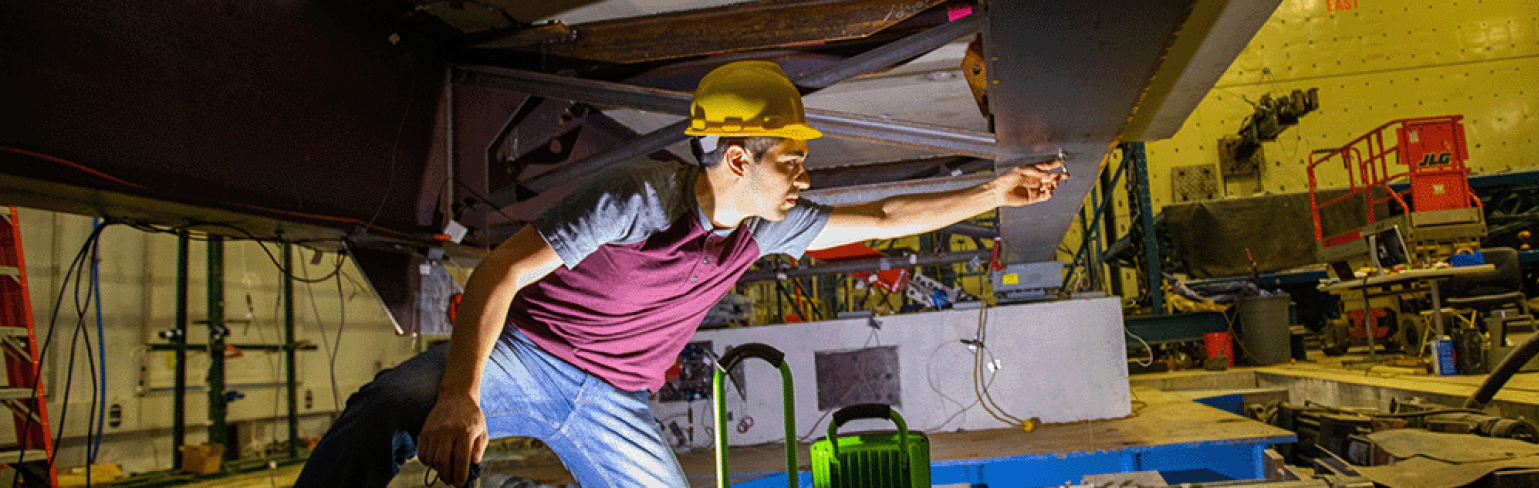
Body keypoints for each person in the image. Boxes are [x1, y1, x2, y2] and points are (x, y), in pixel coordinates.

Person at [295, 60, 1067, 487]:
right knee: (386, 407)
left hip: (615, 403)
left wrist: (995, 190)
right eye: (791, 163)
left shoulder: (765, 230)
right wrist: (461, 394)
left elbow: (889, 217)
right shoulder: (636, 200)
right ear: (738, 160)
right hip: (523, 363)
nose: (804, 178)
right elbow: (499, 272)